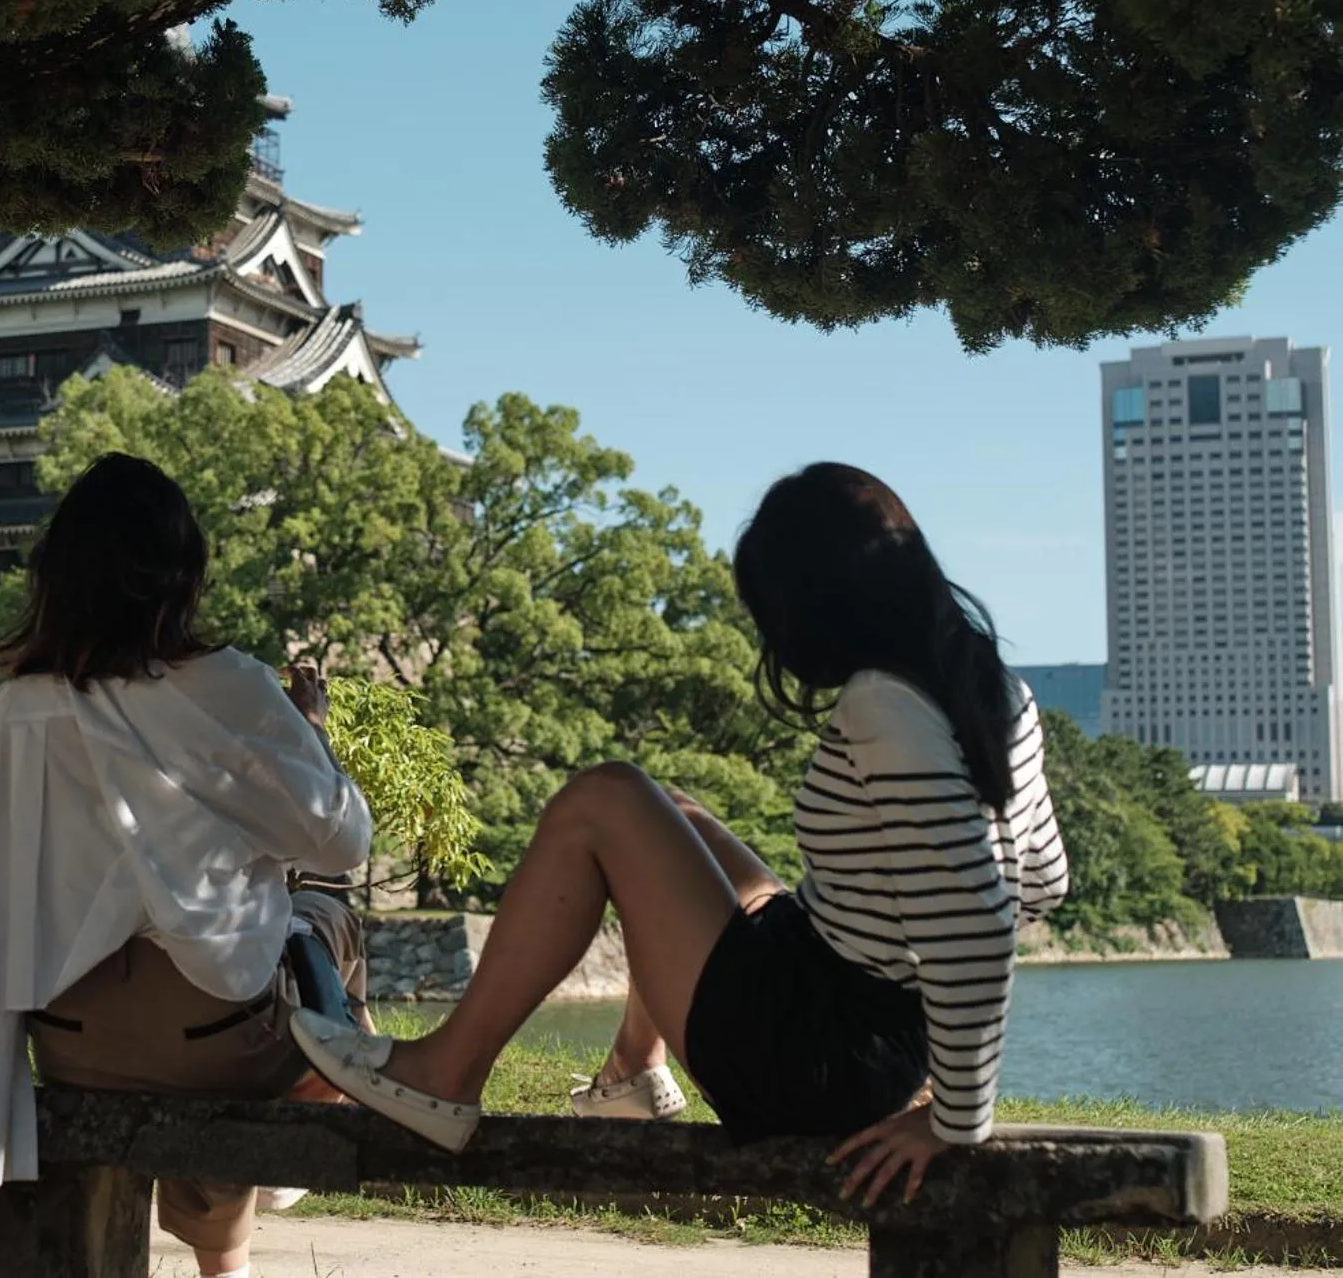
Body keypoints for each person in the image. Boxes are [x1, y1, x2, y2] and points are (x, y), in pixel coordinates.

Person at [292, 463, 1069, 1207]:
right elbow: (1040, 883)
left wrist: (953, 1119)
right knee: (674, 812)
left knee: (604, 799)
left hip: (823, 1058)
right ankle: (633, 1072)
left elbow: (977, 924)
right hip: (857, 1018)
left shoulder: (882, 705)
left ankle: (445, 1073)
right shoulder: (995, 687)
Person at [0, 453, 371, 1278]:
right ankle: (319, 1095)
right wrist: (311, 734)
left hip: (70, 1038)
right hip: (217, 1039)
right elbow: (341, 844)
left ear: (57, 577)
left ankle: (247, 1203)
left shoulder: (12, 710)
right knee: (327, 922)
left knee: (211, 981)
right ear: (183, 574)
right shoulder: (231, 686)